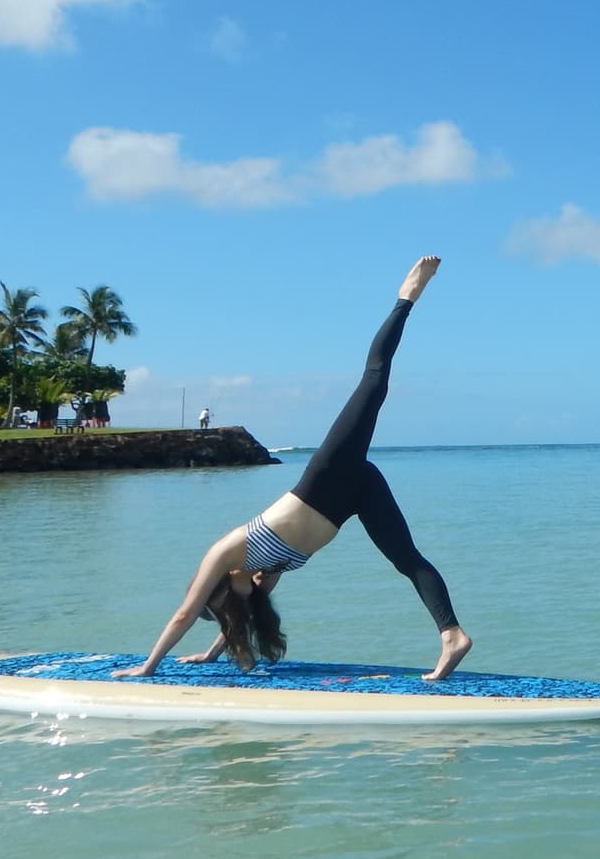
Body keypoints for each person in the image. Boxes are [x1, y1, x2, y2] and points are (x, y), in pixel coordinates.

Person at [114, 256, 469, 681]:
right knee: (406, 559)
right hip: (352, 496)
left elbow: (185, 612)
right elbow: (235, 617)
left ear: (224, 587)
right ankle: (452, 635)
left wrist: (147, 667)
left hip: (325, 481)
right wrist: (212, 655)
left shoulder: (226, 553)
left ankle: (406, 297)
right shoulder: (264, 578)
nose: (238, 605)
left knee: (373, 381)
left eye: (227, 603)